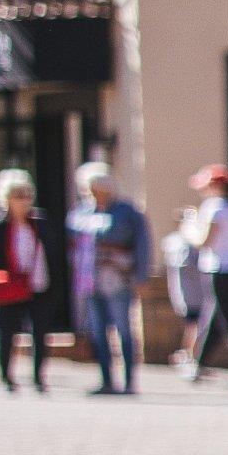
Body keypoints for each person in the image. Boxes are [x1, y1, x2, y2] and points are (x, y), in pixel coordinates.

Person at [68, 162, 151, 395]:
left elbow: (142, 245)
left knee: (123, 329)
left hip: (118, 277)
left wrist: (141, 276)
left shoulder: (126, 211)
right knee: (98, 330)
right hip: (90, 278)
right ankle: (106, 380)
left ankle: (129, 382)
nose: (93, 193)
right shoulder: (81, 212)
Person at [0, 168, 61, 394]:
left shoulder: (40, 222)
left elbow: (53, 252)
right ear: (6, 198)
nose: (23, 200)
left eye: (26, 194)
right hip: (11, 286)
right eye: (17, 195)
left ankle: (38, 376)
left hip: (39, 284)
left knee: (40, 331)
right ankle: (6, 376)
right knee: (7, 330)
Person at [179, 165, 228, 382]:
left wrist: (187, 227)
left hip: (223, 268)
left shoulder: (214, 207)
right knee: (216, 316)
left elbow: (203, 242)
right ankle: (201, 362)